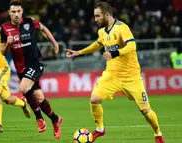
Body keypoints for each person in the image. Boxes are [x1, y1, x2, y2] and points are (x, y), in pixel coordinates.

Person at [65, 2, 165, 143]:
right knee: (94, 99)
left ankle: (158, 134)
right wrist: (78, 52)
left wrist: (115, 53)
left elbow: (132, 45)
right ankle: (100, 129)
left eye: (98, 16)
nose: (96, 19)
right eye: (95, 16)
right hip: (112, 75)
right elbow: (97, 44)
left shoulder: (121, 28)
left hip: (132, 77)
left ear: (107, 14)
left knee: (146, 111)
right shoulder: (101, 31)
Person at [0, 0, 62, 139]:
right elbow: (2, 52)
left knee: (22, 88)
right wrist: (8, 44)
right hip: (21, 69)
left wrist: (55, 43)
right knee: (39, 98)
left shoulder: (30, 22)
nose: (16, 14)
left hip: (35, 63)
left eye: (18, 11)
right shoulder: (4, 29)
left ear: (22, 12)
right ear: (9, 13)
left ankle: (39, 119)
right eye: (13, 12)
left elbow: (44, 28)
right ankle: (55, 120)